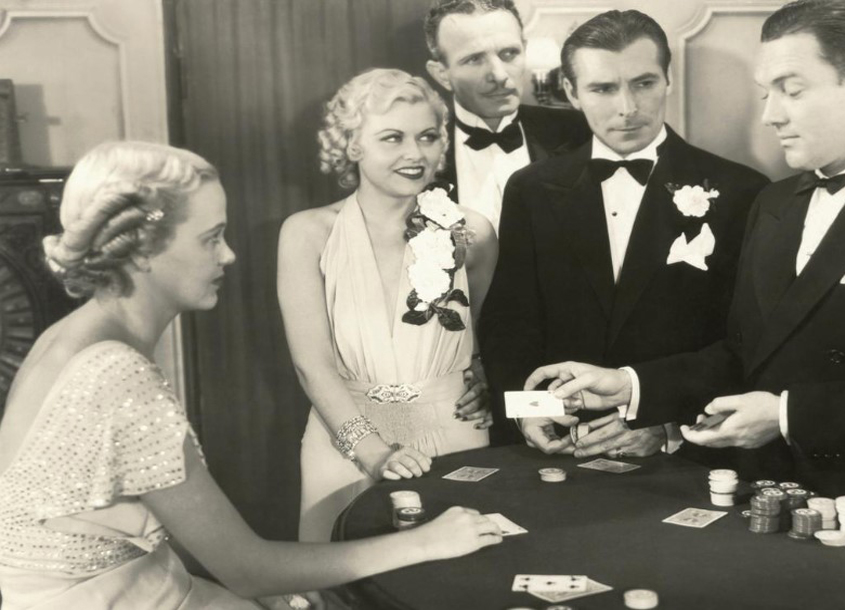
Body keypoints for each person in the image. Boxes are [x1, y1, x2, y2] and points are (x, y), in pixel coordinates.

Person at [525, 0, 845, 556]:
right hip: (756, 507)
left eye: (792, 89)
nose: (771, 115)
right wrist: (635, 385)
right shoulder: (777, 203)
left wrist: (786, 416)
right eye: (766, 93)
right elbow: (745, 354)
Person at [0, 141, 502, 610]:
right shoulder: (115, 373)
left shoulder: (72, 337)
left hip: (134, 579)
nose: (229, 255)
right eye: (211, 239)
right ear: (143, 251)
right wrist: (425, 542)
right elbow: (248, 569)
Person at [479, 10, 769, 455]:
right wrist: (529, 408)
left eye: (643, 83)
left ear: (668, 80)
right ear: (572, 93)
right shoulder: (532, 189)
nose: (627, 107)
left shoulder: (743, 192)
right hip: (559, 446)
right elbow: (510, 325)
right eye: (603, 88)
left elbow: (747, 345)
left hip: (687, 454)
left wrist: (664, 422)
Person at [279, 69, 499, 542]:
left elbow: (488, 332)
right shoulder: (306, 234)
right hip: (344, 439)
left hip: (455, 435)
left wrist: (484, 377)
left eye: (426, 137)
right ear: (353, 144)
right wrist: (374, 451)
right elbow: (310, 366)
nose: (414, 154)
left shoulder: (473, 233)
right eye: (392, 138)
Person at [423, 0, 591, 231]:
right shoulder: (419, 152)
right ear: (442, 74)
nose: (499, 75)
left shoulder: (580, 133)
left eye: (509, 53)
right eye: (474, 59)